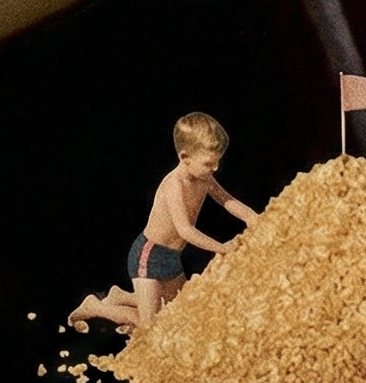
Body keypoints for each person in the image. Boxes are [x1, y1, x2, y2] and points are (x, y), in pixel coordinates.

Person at [70, 111, 258, 332]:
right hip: (148, 256)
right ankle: (95, 306)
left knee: (181, 310)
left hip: (171, 257)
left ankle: (120, 296)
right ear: (185, 158)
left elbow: (227, 200)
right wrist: (222, 248)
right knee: (152, 326)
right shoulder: (173, 186)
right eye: (209, 163)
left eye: (217, 162)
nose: (215, 168)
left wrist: (253, 218)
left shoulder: (204, 177)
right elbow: (185, 230)